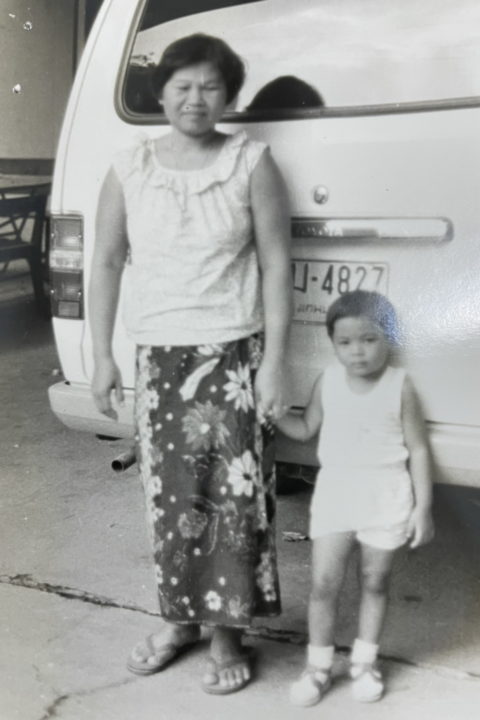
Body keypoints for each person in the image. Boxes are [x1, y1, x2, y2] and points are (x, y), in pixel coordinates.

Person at [89, 33, 291, 695]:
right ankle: (178, 620)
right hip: (160, 359)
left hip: (232, 353)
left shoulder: (251, 162)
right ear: (162, 92)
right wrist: (101, 358)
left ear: (228, 93)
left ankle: (228, 632)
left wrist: (275, 364)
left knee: (233, 503)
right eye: (182, 86)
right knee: (172, 500)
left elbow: (276, 265)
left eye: (209, 86)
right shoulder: (129, 166)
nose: (195, 99)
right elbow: (107, 263)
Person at [276, 290, 434, 706]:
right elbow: (305, 428)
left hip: (387, 494)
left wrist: (423, 507)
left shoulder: (400, 386)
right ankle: (319, 666)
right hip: (336, 492)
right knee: (324, 583)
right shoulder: (327, 380)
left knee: (375, 581)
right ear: (333, 345)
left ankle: (365, 662)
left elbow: (418, 448)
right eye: (345, 342)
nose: (358, 351)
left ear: (389, 338)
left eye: (369, 339)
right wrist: (275, 415)